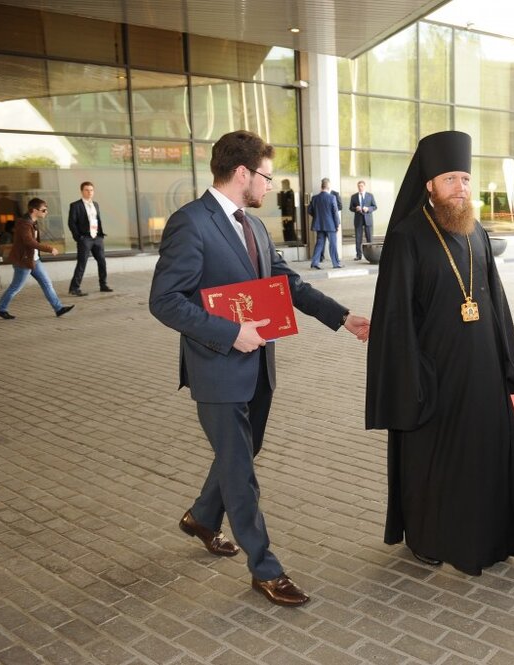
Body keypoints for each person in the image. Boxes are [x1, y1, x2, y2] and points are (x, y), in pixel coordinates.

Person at [148, 130, 370, 606]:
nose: (270, 186)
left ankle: (202, 517)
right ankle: (265, 569)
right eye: (266, 177)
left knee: (243, 454)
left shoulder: (253, 226)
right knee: (239, 472)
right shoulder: (191, 223)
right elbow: (164, 301)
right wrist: (230, 332)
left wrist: (342, 317)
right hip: (217, 370)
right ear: (242, 173)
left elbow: (288, 284)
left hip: (259, 366)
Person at [365, 130, 514, 576]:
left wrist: (504, 359)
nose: (460, 188)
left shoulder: (476, 230)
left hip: (482, 369)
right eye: (450, 179)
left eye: (465, 179)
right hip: (434, 372)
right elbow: (395, 316)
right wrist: (412, 376)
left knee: (491, 450)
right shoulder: (407, 236)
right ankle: (425, 538)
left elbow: (495, 299)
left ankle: (507, 535)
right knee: (433, 460)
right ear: (429, 184)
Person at [0, 198, 74, 319]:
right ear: (35, 210)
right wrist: (49, 249)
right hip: (24, 261)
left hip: (34, 259)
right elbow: (29, 242)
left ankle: (58, 308)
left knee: (47, 283)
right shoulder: (24, 224)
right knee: (16, 287)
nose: (46, 212)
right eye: (44, 210)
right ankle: (0, 308)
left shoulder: (33, 222)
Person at [67, 181, 113, 296]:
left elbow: (97, 220)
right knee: (82, 263)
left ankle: (103, 285)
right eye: (87, 190)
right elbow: (71, 223)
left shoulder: (95, 204)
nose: (89, 192)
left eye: (91, 190)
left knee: (102, 262)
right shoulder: (75, 205)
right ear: (82, 191)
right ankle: (74, 288)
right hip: (85, 238)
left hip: (97, 237)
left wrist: (100, 235)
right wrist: (79, 238)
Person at [307, 178, 341, 269]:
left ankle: (314, 263)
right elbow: (335, 212)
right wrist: (337, 224)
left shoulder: (315, 198)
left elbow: (309, 210)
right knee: (333, 244)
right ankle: (336, 263)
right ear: (328, 186)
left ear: (321, 186)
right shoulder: (332, 197)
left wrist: (317, 216)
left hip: (319, 225)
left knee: (319, 244)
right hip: (330, 225)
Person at [349, 180, 377, 260]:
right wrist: (356, 208)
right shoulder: (354, 196)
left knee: (369, 238)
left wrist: (368, 209)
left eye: (361, 186)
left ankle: (371, 254)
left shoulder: (370, 195)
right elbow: (351, 208)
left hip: (368, 219)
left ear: (364, 186)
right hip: (358, 219)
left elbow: (375, 207)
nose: (360, 188)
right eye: (359, 186)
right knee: (358, 238)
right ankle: (358, 255)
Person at [277, 178, 297, 242]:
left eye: (283, 184)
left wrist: (283, 193)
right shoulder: (284, 192)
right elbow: (281, 204)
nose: (282, 186)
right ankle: (287, 240)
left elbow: (288, 204)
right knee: (285, 228)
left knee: (289, 229)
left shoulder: (290, 193)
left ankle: (291, 241)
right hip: (285, 214)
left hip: (289, 215)